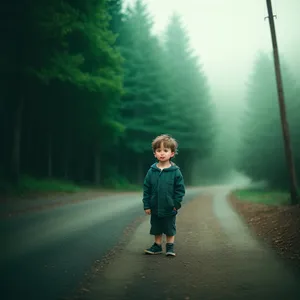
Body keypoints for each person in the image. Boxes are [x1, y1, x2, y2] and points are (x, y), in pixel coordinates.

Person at [142, 134, 185, 257]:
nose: (162, 153)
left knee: (169, 227)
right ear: (155, 153)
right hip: (155, 205)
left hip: (169, 206)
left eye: (165, 150)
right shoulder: (152, 171)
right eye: (158, 150)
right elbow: (147, 189)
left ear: (172, 153)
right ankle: (157, 246)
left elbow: (180, 189)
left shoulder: (175, 171)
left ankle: (170, 247)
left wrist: (176, 204)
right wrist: (147, 205)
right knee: (156, 226)